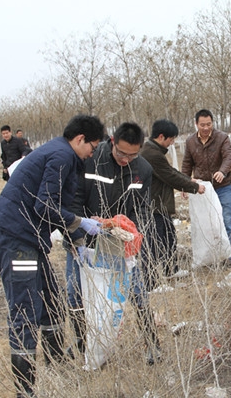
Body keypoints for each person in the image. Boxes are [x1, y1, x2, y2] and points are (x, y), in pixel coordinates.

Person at [0, 115, 104, 397]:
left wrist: (77, 241)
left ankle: (57, 374)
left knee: (52, 302)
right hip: (17, 242)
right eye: (92, 147)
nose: (92, 153)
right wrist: (81, 222)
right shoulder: (61, 156)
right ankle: (25, 390)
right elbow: (45, 206)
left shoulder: (64, 155)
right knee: (26, 311)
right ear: (80, 139)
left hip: (32, 240)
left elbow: (56, 207)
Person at [65, 122, 161, 365]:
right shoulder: (90, 160)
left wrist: (126, 228)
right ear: (112, 142)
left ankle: (152, 345)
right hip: (84, 240)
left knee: (137, 294)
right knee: (76, 295)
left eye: (132, 154)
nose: (126, 159)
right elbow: (73, 200)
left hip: (119, 242)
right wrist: (79, 234)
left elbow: (141, 208)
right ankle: (84, 345)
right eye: (121, 153)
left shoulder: (143, 169)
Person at [140, 119, 205, 278]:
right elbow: (169, 176)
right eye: (171, 139)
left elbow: (170, 171)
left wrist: (189, 180)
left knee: (169, 238)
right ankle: (151, 282)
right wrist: (194, 188)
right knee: (154, 244)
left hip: (159, 204)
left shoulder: (154, 151)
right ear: (161, 137)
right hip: (153, 206)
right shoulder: (151, 154)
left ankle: (171, 270)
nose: (172, 143)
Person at [181, 109, 231, 266]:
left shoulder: (222, 138)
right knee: (206, 223)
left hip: (222, 186)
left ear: (213, 123)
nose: (206, 128)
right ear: (196, 124)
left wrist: (222, 171)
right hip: (202, 189)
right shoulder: (191, 141)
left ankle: (228, 256)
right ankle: (210, 255)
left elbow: (229, 157)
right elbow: (187, 164)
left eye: (209, 124)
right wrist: (184, 184)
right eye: (202, 125)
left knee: (226, 220)